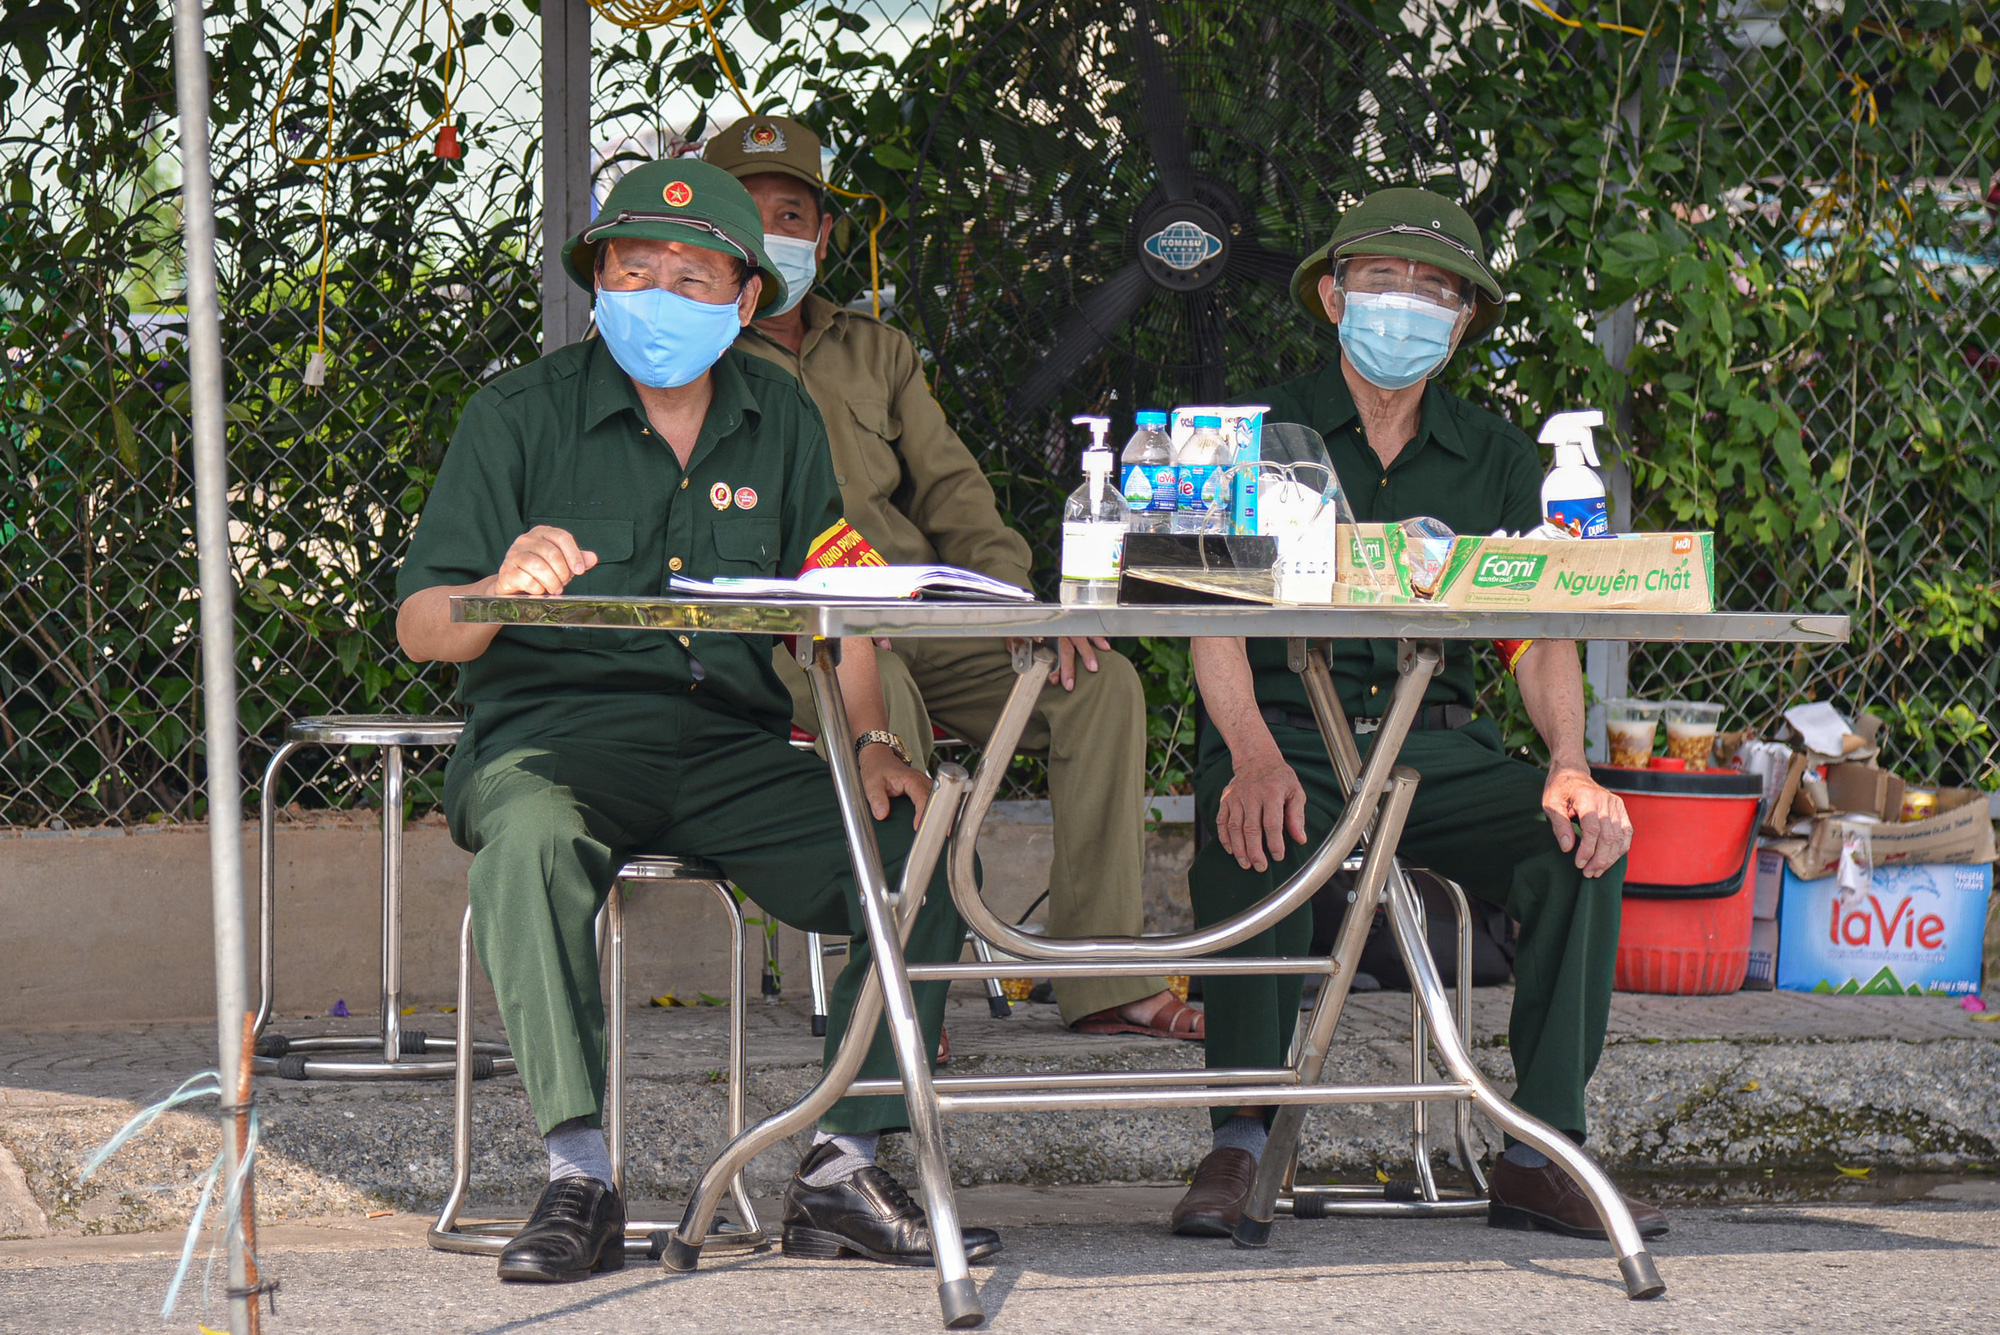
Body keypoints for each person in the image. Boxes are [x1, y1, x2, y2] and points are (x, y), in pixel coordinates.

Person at [396, 158, 1000, 1282]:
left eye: (691, 277)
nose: (660, 295)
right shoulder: (518, 415)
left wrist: (867, 741)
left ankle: (837, 1170)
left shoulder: (784, 417)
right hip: (552, 740)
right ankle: (577, 1176)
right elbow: (422, 625)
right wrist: (497, 589)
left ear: (743, 302)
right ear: (598, 284)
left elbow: (835, 603)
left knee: (918, 846)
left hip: (726, 742)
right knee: (526, 844)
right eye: (636, 271)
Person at [1168, 187, 1667, 1243]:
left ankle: (1541, 1151)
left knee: (1576, 839)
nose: (1406, 304)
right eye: (1383, 280)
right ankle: (1240, 1143)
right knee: (1249, 823)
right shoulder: (1244, 432)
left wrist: (1569, 761)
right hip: (1285, 734)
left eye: (1434, 288)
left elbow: (1532, 632)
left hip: (1428, 752)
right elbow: (1205, 613)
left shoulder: (1492, 455)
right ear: (1331, 293)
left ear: (1463, 320)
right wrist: (1248, 752)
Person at [703, 115, 1202, 1042]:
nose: (775, 233)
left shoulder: (875, 351)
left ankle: (1107, 976)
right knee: (874, 687)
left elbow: (956, 493)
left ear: (820, 234)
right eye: (752, 213)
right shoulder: (693, 352)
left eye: (793, 213)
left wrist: (1017, 606)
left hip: (918, 612)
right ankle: (896, 986)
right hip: (788, 635)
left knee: (1096, 682)